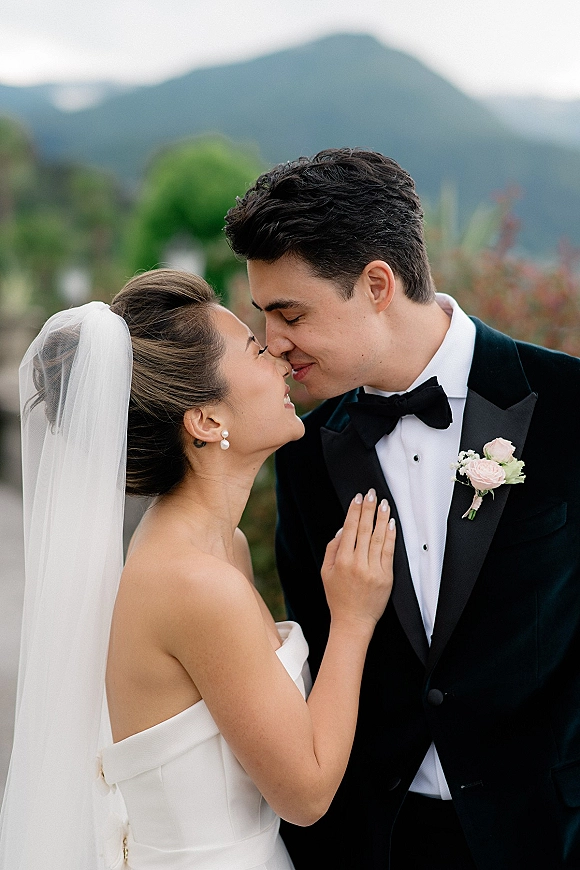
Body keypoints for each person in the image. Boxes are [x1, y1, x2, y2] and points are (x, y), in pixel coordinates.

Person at [224, 148, 580, 870]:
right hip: (375, 842)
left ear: (377, 284)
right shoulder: (302, 451)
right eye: (264, 317)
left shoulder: (570, 405)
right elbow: (323, 647)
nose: (273, 343)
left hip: (547, 833)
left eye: (291, 314)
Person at [0, 269, 396, 870]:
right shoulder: (194, 583)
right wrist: (353, 617)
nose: (281, 361)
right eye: (256, 350)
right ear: (207, 421)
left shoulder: (221, 548)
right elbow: (306, 794)